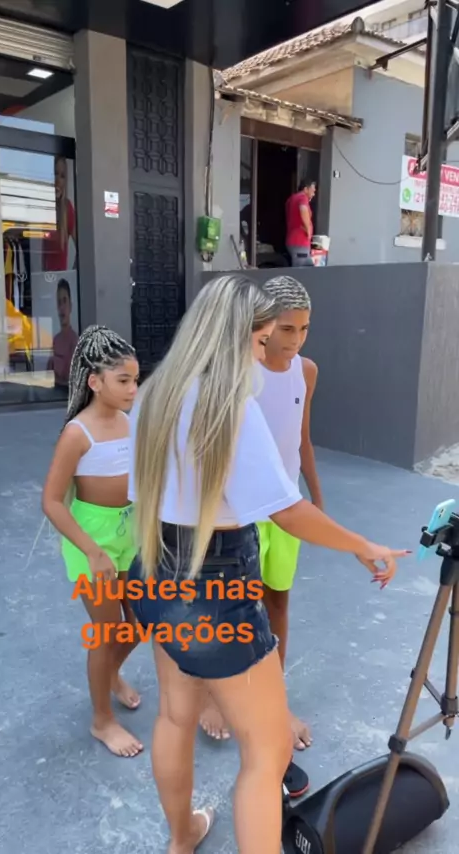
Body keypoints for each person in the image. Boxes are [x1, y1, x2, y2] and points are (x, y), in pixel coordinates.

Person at [127, 273, 408, 854]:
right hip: (215, 585)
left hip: (155, 567)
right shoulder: (229, 405)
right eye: (259, 341)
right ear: (232, 337)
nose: (264, 354)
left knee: (175, 716)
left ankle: (181, 838)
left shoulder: (155, 394)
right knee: (269, 749)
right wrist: (362, 544)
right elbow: (285, 509)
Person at [199, 275, 320, 786]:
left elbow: (302, 438)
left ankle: (275, 697)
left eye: (305, 329)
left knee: (277, 603)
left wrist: (316, 496)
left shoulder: (307, 372)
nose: (295, 340)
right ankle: (215, 695)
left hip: (287, 507)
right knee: (230, 607)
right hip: (241, 512)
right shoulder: (236, 373)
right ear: (262, 326)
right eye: (286, 328)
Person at [42, 325, 143, 758]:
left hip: (129, 535)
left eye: (135, 380)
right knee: (106, 632)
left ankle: (110, 675)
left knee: (139, 623)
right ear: (95, 382)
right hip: (91, 539)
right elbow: (51, 501)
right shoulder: (77, 434)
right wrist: (92, 550)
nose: (133, 389)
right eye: (123, 380)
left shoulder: (128, 422)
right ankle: (102, 720)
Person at [43, 155, 77, 272]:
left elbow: (82, 249)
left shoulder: (67, 209)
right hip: (37, 277)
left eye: (62, 176)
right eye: (55, 173)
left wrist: (71, 275)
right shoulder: (42, 205)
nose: (58, 180)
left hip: (59, 278)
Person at [47, 279, 79, 388]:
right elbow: (49, 372)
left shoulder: (74, 340)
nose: (62, 308)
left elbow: (69, 375)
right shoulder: (56, 340)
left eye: (64, 301)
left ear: (71, 306)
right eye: (59, 302)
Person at [286, 178, 316, 267]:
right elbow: (303, 209)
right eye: (312, 191)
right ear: (305, 189)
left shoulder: (291, 198)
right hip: (300, 242)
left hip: (293, 240)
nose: (313, 194)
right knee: (301, 271)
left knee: (308, 268)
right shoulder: (302, 197)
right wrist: (308, 229)